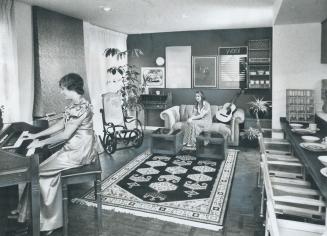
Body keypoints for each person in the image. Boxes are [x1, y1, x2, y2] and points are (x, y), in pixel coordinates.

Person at [17, 73, 99, 235]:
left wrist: (40, 143)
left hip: (79, 151)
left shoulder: (81, 107)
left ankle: (49, 222)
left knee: (38, 174)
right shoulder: (76, 104)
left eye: (63, 89)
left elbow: (64, 135)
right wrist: (35, 136)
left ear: (71, 88)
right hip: (73, 148)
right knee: (38, 169)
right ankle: (28, 214)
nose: (61, 92)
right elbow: (60, 125)